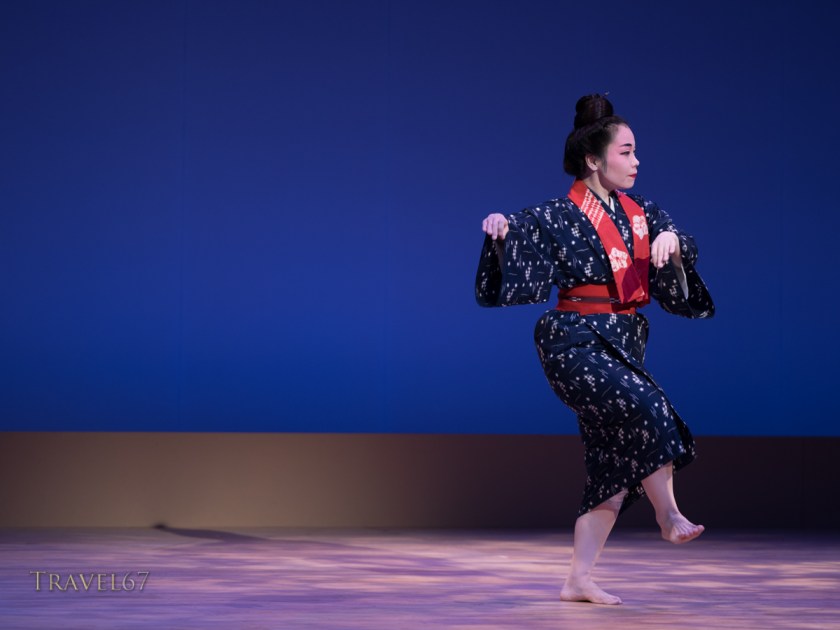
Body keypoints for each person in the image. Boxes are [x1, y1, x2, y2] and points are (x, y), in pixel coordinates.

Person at [476, 94, 714, 605]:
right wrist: (499, 229)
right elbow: (516, 235)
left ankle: (577, 580)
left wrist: (671, 239)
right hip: (574, 340)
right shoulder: (558, 215)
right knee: (650, 407)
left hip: (624, 338)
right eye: (626, 152)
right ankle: (668, 515)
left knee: (611, 463)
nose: (636, 162)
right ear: (593, 159)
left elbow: (679, 239)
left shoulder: (642, 211)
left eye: (635, 153)